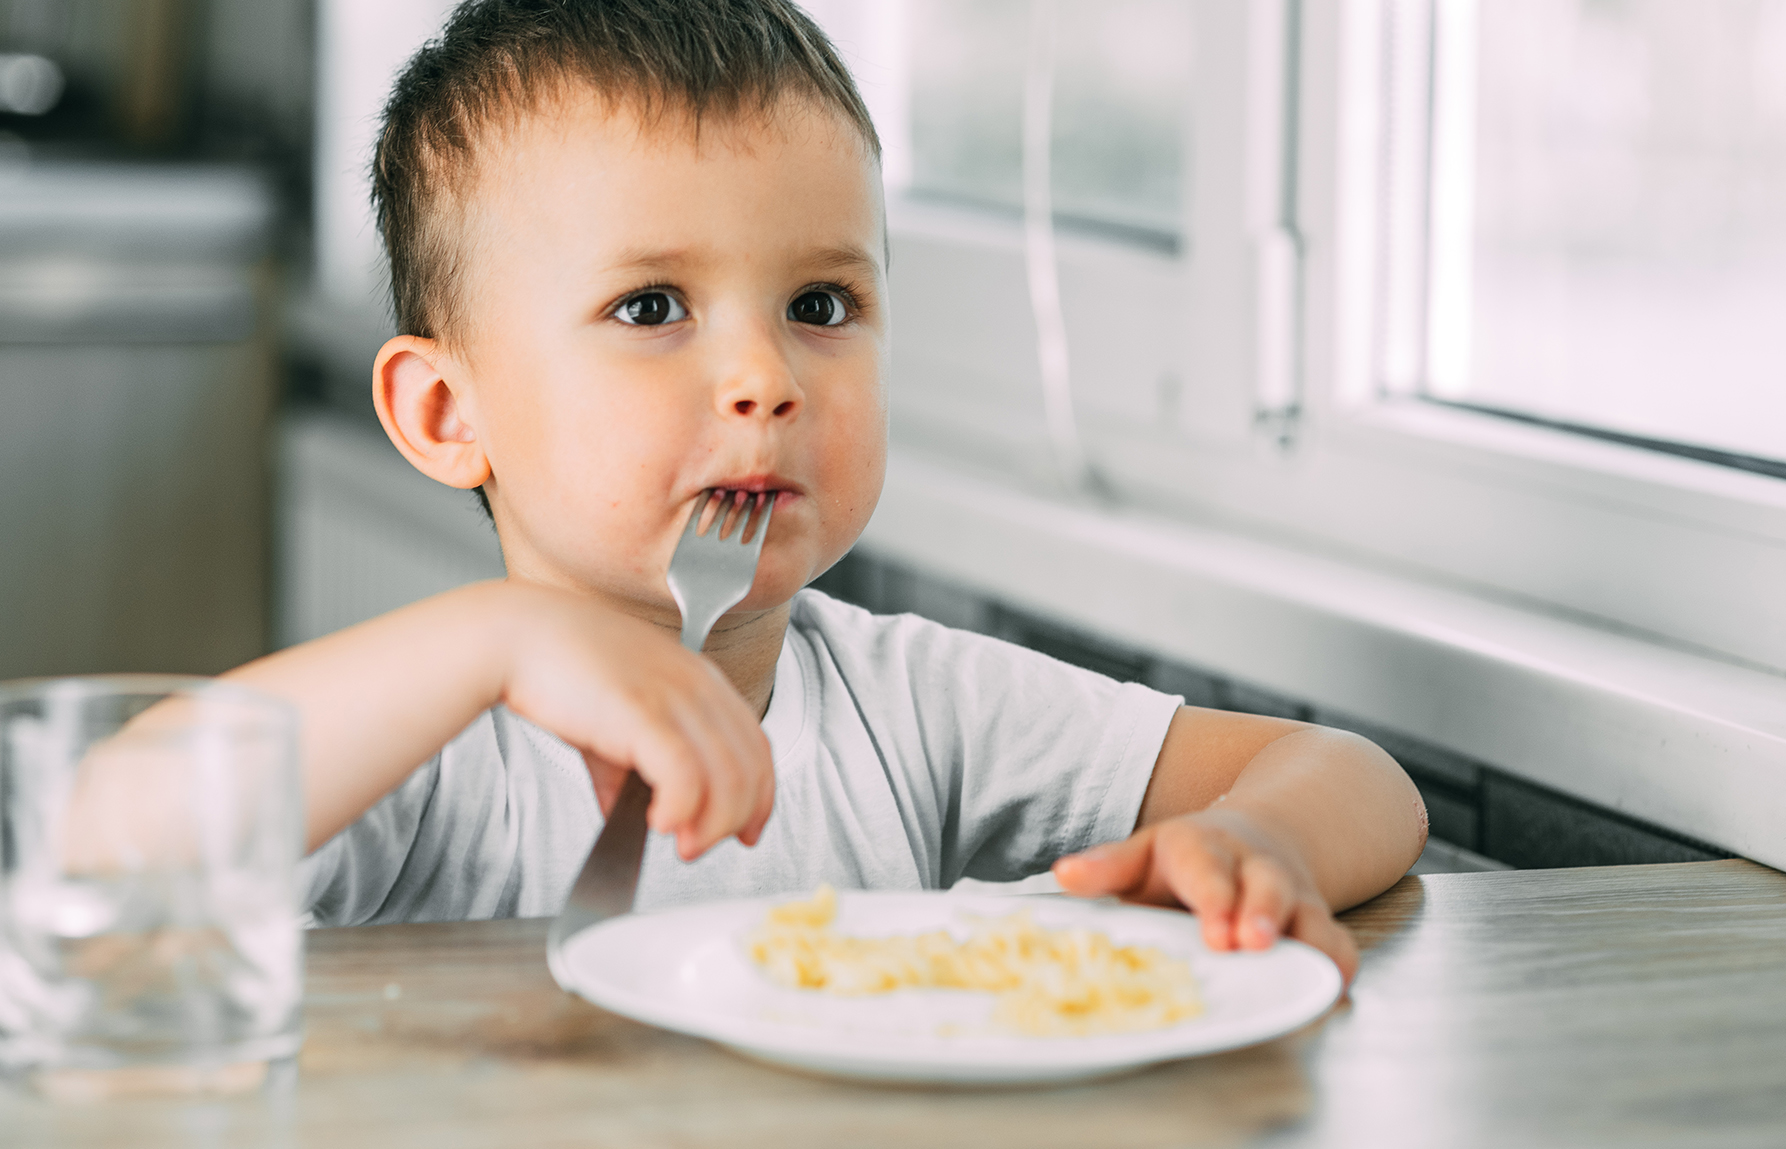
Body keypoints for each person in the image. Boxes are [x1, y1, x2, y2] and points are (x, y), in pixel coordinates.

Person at [228, 0, 1426, 982]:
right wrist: (495, 642)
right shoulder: (427, 746)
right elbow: (105, 834)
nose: (763, 378)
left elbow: (1356, 781)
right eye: (650, 308)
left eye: (820, 307)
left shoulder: (910, 708)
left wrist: (1250, 842)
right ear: (447, 415)